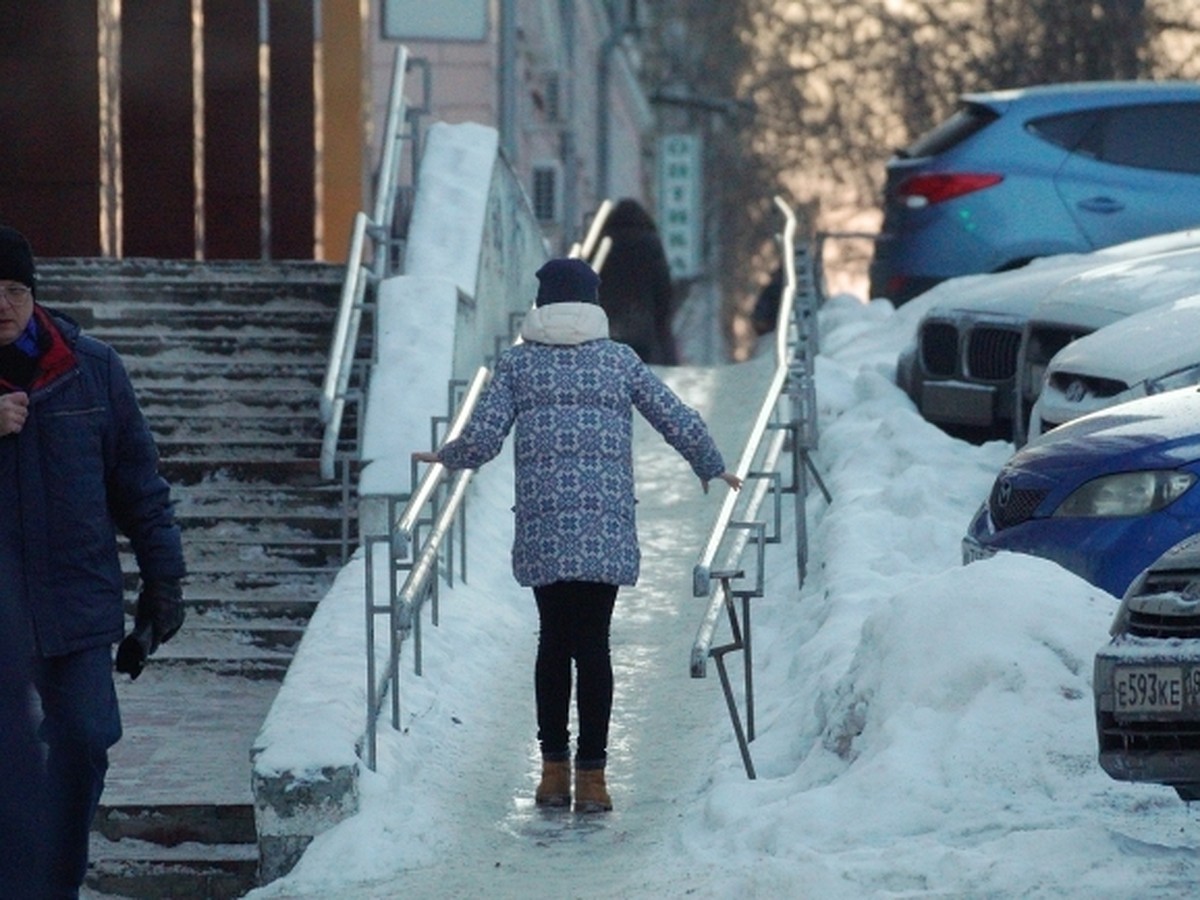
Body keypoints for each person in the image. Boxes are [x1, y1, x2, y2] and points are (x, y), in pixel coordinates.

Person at [413, 257, 740, 813]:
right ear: (593, 302)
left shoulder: (518, 365)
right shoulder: (619, 361)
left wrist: (448, 455)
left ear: (541, 305)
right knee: (593, 646)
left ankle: (551, 774)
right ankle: (593, 779)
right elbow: (673, 414)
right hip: (604, 524)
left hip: (544, 522)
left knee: (552, 642)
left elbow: (486, 436)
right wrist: (711, 463)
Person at [0, 225, 186, 897]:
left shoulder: (93, 369)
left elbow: (139, 483)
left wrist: (163, 581)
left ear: (33, 294)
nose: (3, 304)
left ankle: (52, 883)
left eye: (15, 289)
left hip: (77, 600)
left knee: (83, 739)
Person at [596, 198, 679, 365]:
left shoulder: (603, 244)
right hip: (641, 328)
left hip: (606, 327)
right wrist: (662, 326)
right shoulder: (650, 244)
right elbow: (662, 288)